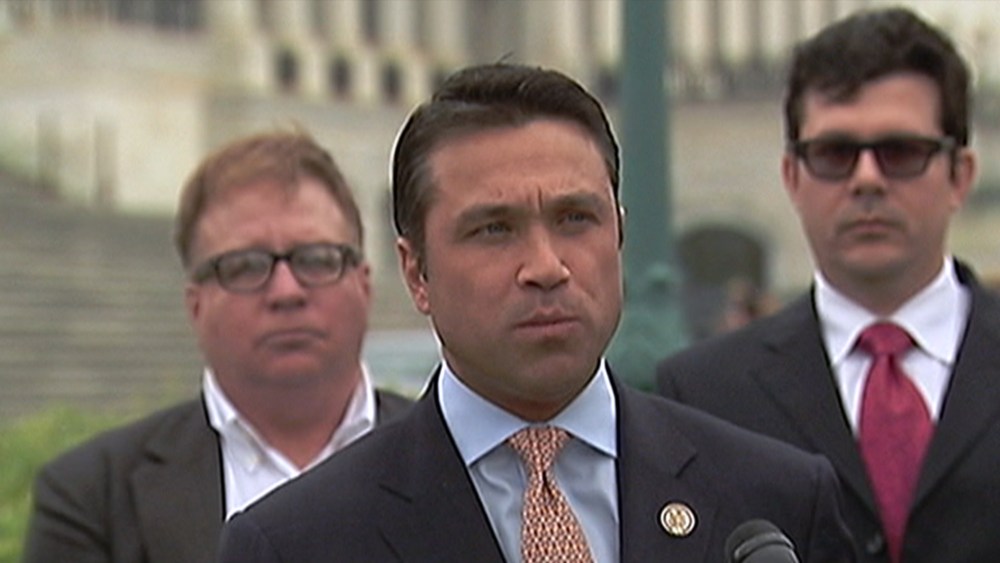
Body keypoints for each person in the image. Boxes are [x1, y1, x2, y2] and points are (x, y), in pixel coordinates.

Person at [217, 63, 855, 563]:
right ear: (416, 272)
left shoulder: (775, 503)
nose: (546, 266)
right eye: (494, 229)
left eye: (575, 219)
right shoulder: (297, 544)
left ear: (619, 235)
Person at [657, 8, 997, 563]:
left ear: (960, 174)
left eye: (900, 152)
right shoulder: (703, 395)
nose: (867, 180)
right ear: (792, 176)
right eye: (835, 154)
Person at [22, 130, 412, 563]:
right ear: (195, 304)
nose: (286, 292)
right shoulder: (90, 498)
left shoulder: (456, 457)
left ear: (364, 284)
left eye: (317, 260)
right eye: (245, 267)